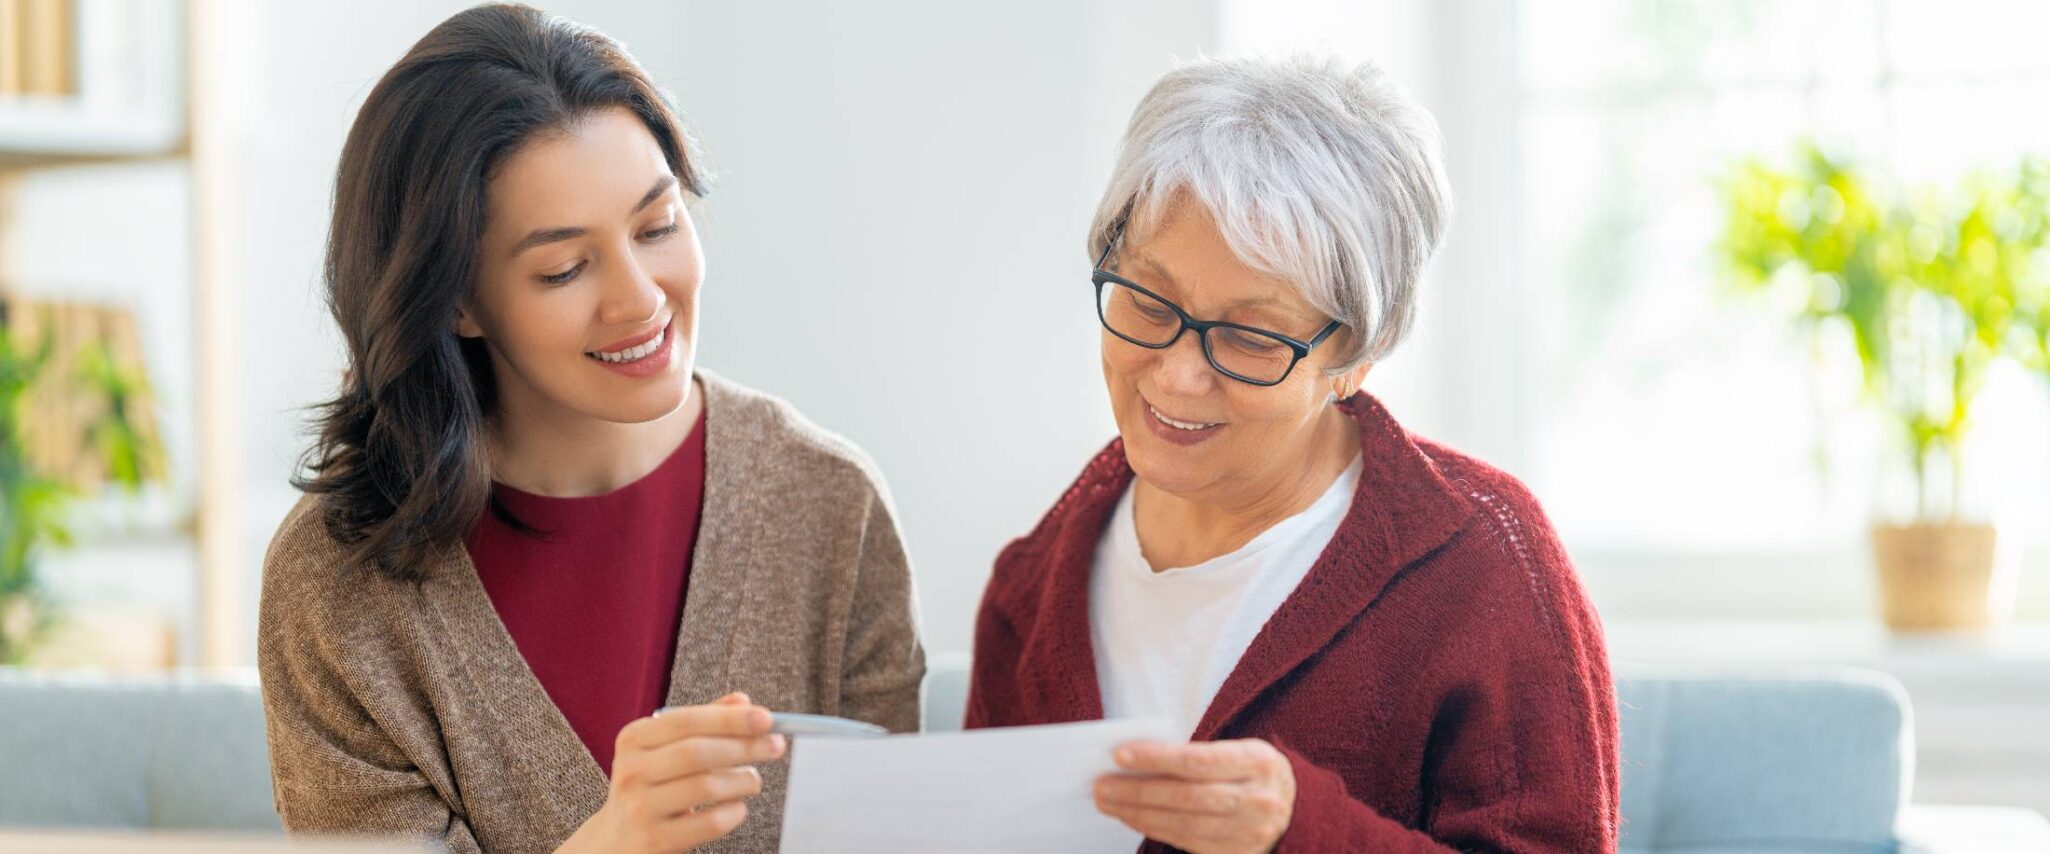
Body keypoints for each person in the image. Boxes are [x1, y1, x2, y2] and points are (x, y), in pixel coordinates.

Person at [257, 6, 922, 852]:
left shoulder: (829, 508)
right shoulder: (339, 586)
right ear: (455, 299)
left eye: (658, 225)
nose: (640, 297)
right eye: (563, 268)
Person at [966, 55, 1620, 852]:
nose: (1176, 374)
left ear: (1356, 354)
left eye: (1247, 335)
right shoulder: (1030, 592)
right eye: (1146, 298)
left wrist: (1298, 830)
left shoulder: (1482, 562)